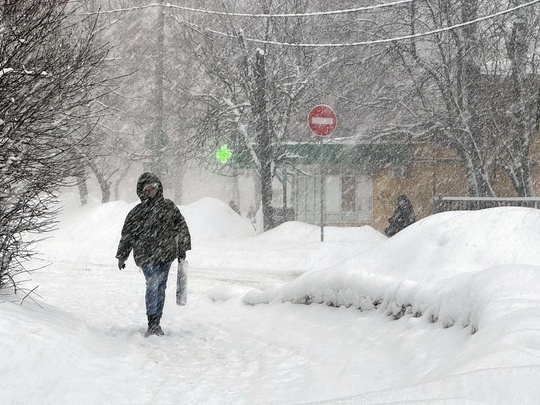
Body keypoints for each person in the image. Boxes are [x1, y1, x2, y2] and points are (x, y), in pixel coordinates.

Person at [116, 172, 191, 337]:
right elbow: (127, 235)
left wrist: (183, 248)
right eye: (147, 189)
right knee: (152, 284)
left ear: (159, 188)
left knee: (161, 287)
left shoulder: (169, 207)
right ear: (142, 191)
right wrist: (122, 255)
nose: (151, 191)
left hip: (166, 255)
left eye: (153, 188)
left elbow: (181, 226)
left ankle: (157, 322)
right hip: (146, 256)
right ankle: (152, 323)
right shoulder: (137, 213)